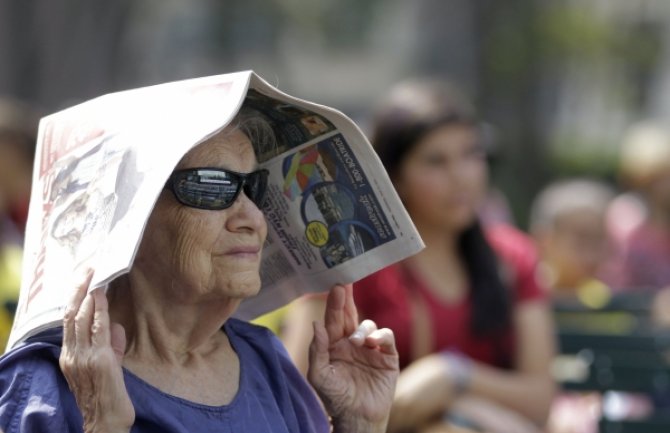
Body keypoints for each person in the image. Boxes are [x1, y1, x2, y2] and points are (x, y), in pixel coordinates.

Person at [0, 109, 399, 432]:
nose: (253, 218)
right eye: (212, 185)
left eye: (252, 188)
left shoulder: (265, 359)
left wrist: (361, 425)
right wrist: (101, 426)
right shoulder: (49, 381)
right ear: (127, 218)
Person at [282, 79, 556, 433]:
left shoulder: (513, 256)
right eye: (435, 161)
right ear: (395, 177)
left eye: (472, 155)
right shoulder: (350, 259)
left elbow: (539, 399)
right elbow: (300, 399)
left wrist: (452, 378)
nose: (462, 178)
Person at [529, 178, 615, 307]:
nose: (591, 255)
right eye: (581, 240)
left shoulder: (603, 299)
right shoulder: (524, 296)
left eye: (598, 241)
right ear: (545, 239)